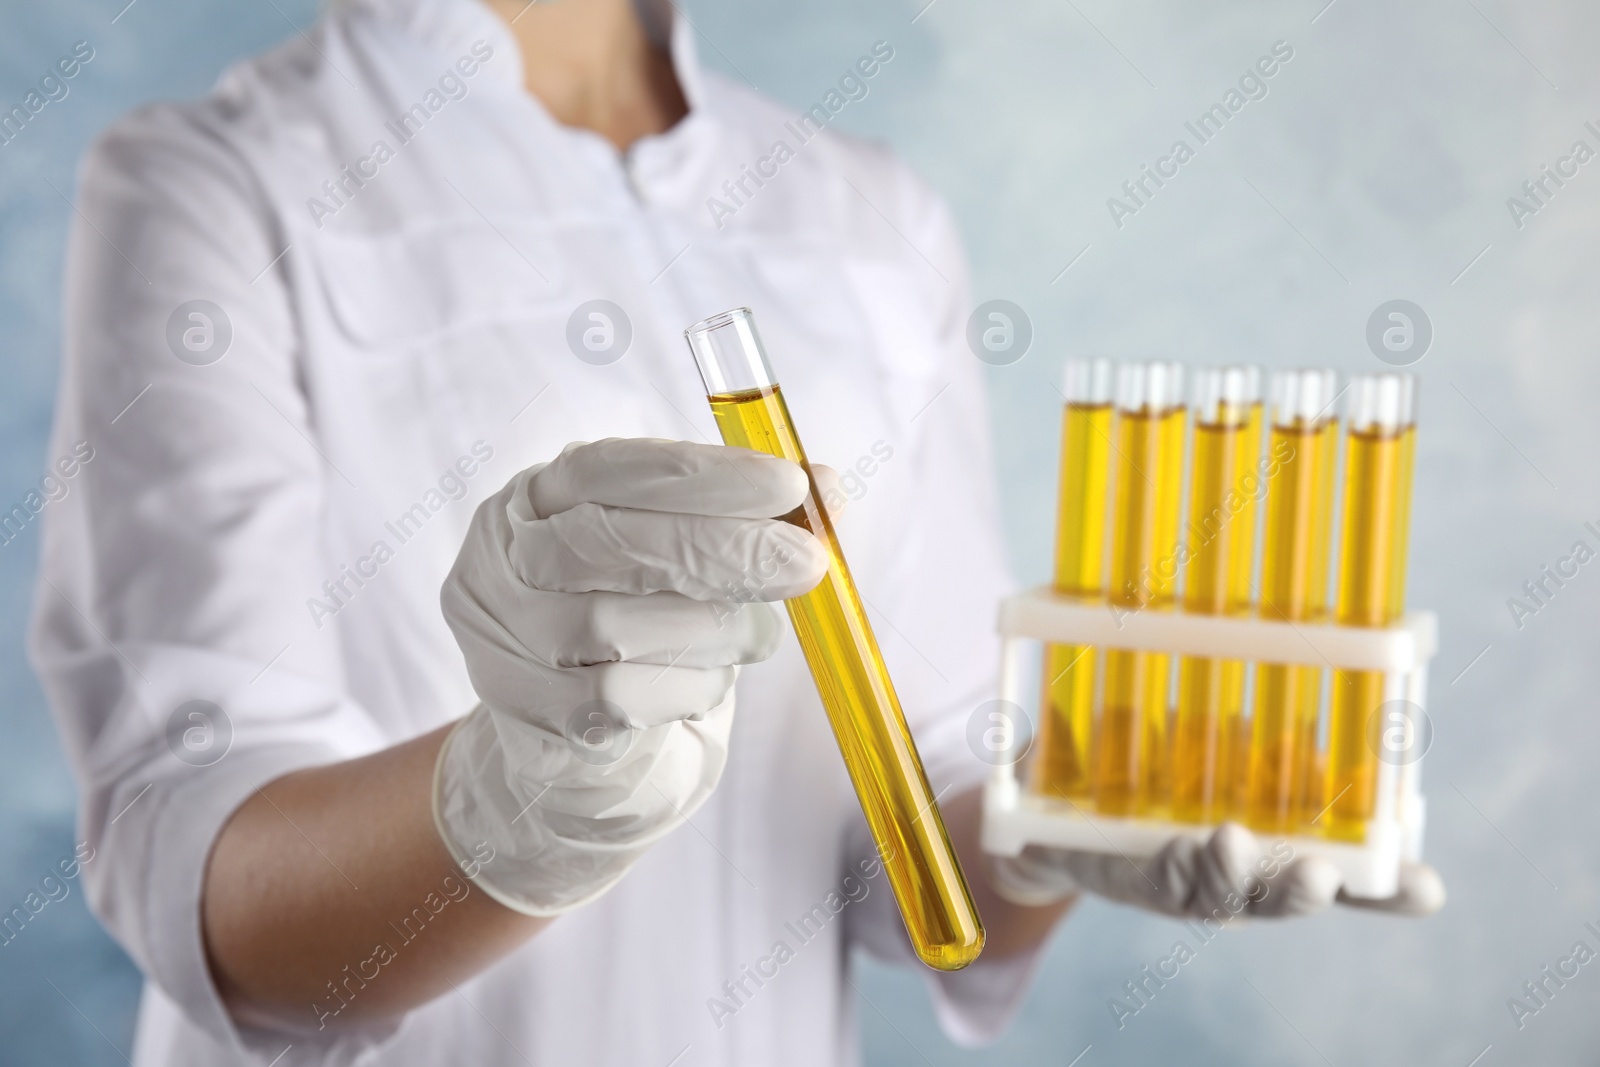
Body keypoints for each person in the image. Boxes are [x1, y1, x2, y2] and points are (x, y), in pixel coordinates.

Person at [30, 0, 1443, 1063]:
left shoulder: (869, 210)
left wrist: (1055, 829)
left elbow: (921, 844)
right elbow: (201, 872)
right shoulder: (219, 180)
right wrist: (507, 806)